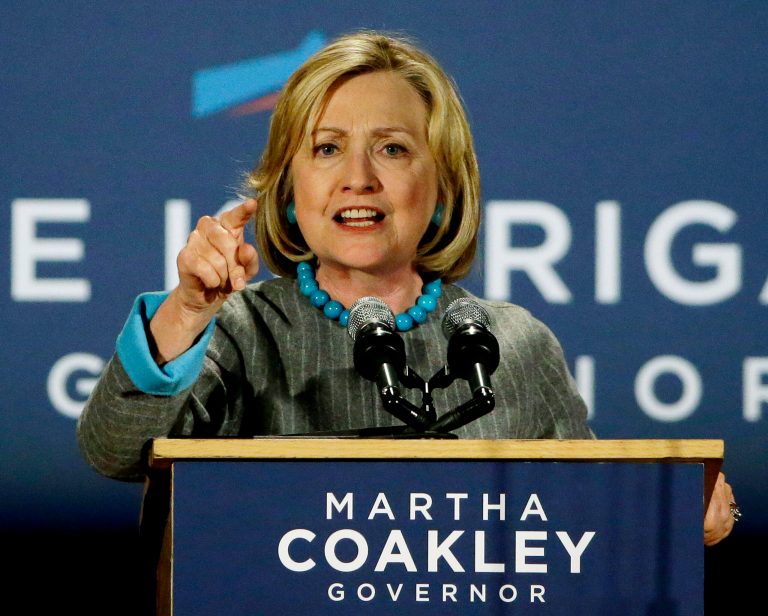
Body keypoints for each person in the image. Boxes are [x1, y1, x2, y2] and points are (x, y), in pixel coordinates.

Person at [77, 30, 736, 556]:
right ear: (288, 183)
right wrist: (189, 309)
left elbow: (583, 526)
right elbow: (113, 450)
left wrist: (681, 517)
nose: (357, 178)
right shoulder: (239, 333)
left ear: (444, 183)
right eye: (327, 149)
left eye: (391, 149)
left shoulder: (514, 344)